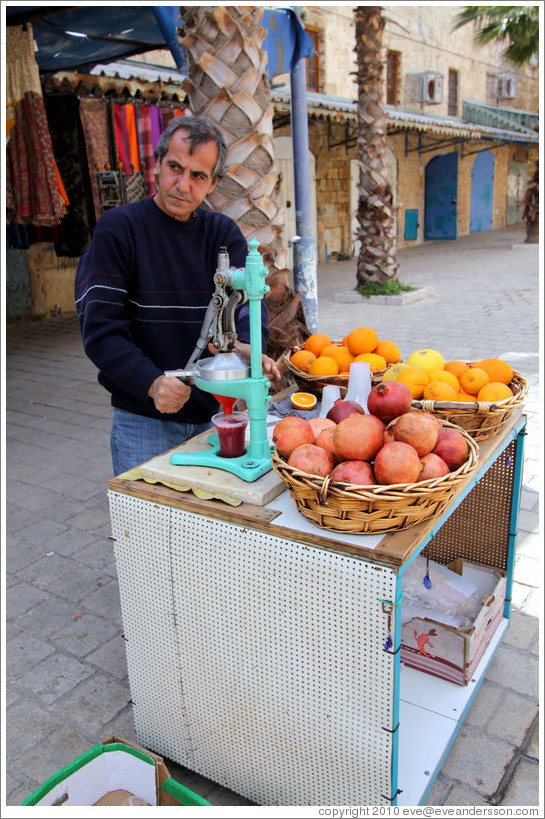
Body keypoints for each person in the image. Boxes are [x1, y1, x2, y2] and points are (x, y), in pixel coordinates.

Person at [75, 115, 280, 476]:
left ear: (213, 183)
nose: (182, 184)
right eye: (174, 167)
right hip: (143, 419)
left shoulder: (223, 234)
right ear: (157, 163)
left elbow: (247, 301)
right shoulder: (120, 229)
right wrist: (151, 383)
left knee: (211, 527)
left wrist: (248, 345)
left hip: (216, 419)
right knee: (144, 529)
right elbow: (101, 330)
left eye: (198, 176)